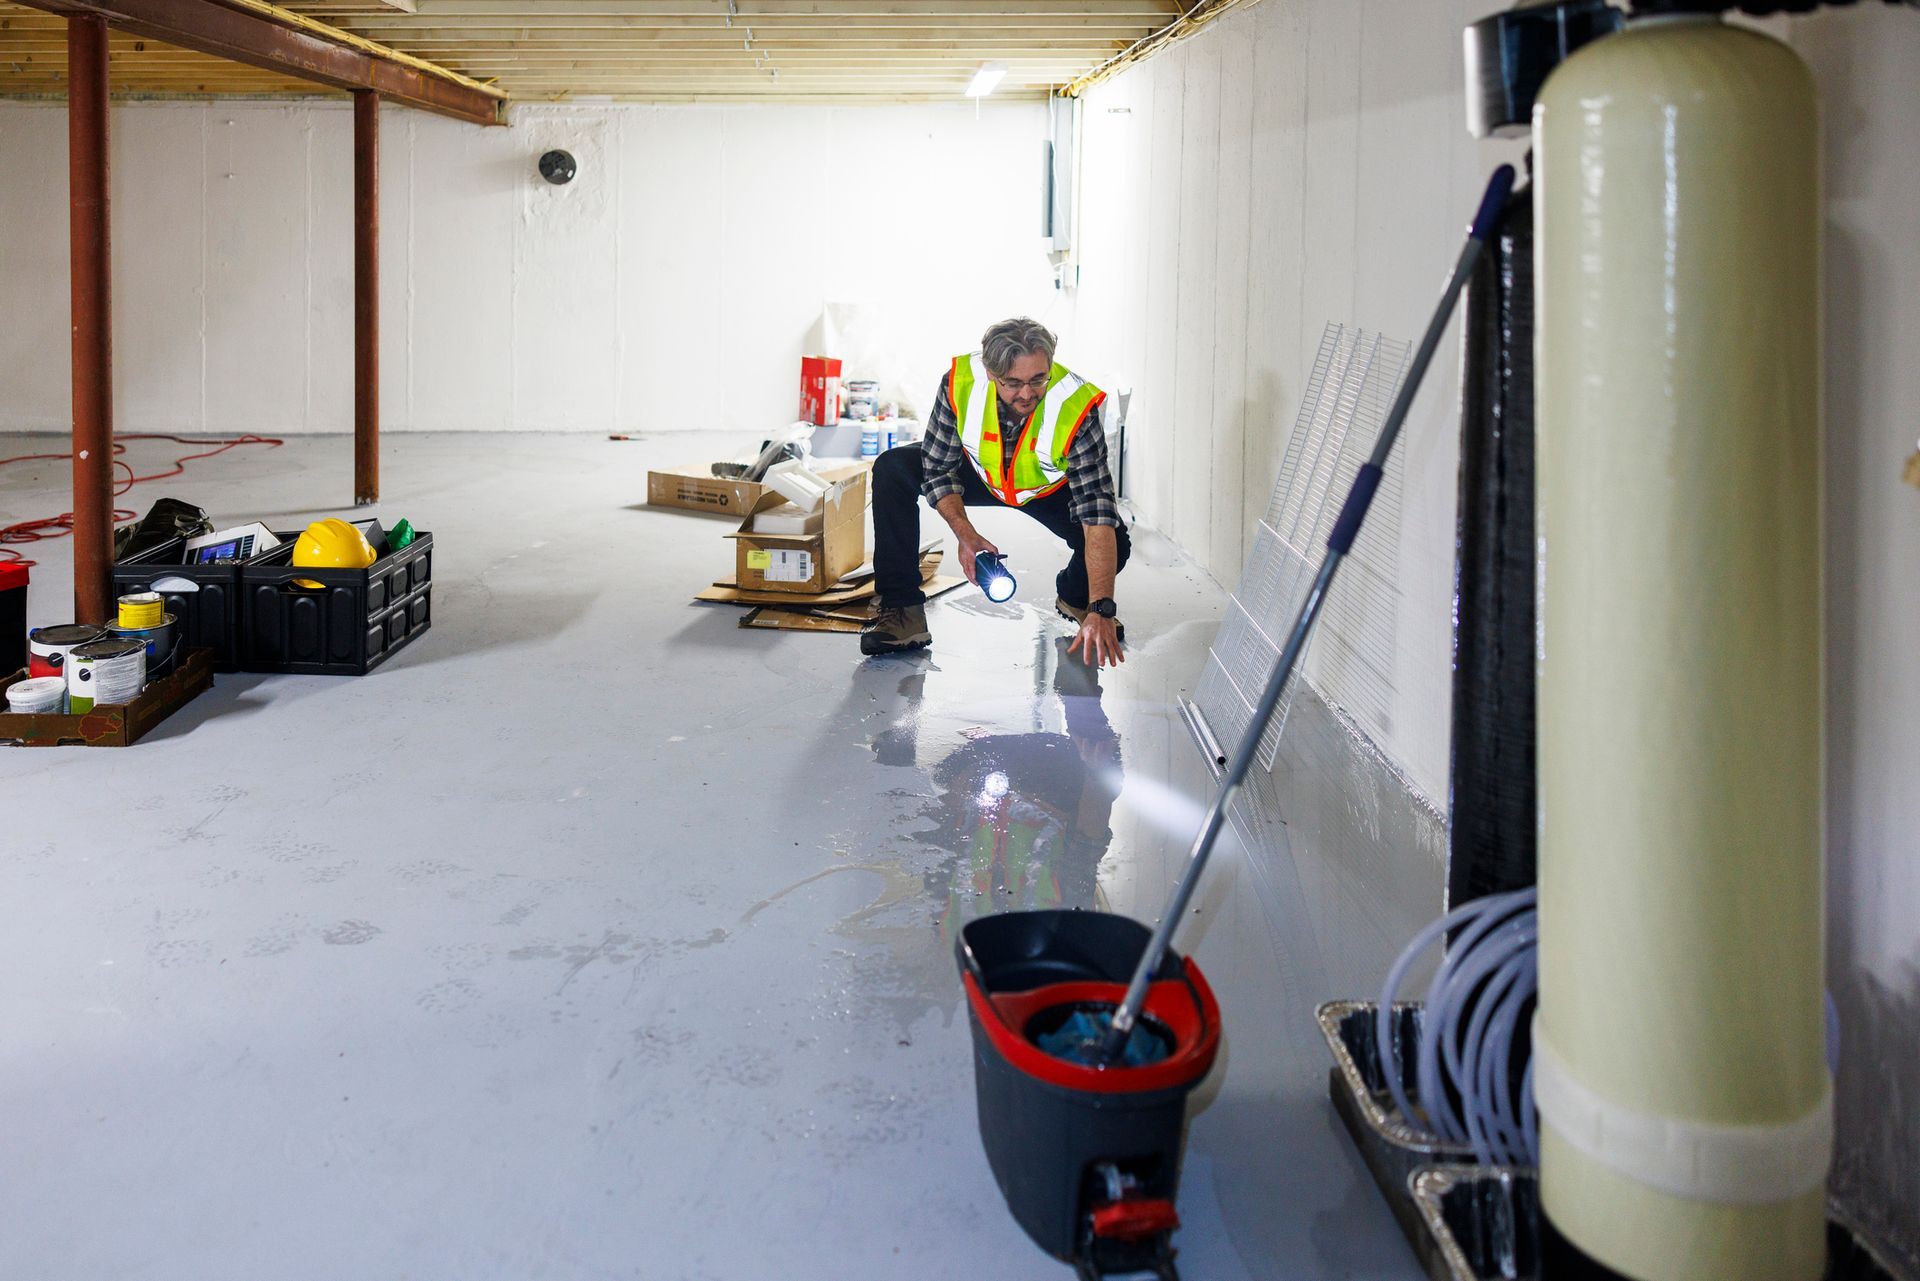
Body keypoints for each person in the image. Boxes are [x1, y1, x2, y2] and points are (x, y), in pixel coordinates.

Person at [860, 317, 1129, 667]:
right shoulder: (961, 384)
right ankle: (903, 613)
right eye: (1013, 383)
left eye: (1037, 379)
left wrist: (1101, 607)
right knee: (893, 467)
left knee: (1116, 542)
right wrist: (966, 534)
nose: (1028, 393)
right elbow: (938, 467)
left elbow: (1096, 511)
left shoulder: (1075, 405)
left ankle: (1075, 598)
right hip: (981, 472)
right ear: (991, 373)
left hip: (1045, 486)